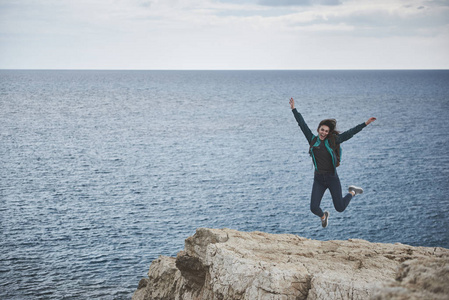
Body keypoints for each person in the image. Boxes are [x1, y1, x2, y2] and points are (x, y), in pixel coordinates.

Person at [289, 98, 376, 228]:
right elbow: (302, 124)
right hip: (318, 179)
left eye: (326, 131)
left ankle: (352, 192)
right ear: (318, 129)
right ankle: (324, 216)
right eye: (322, 129)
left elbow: (349, 133)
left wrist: (365, 124)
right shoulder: (312, 139)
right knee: (314, 208)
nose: (323, 132)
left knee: (340, 208)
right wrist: (294, 109)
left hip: (331, 178)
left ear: (328, 133)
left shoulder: (333, 141)